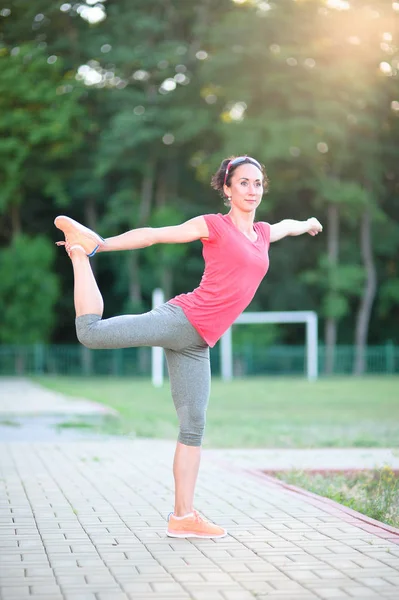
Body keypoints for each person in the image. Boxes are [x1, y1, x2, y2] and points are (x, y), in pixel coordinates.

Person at [55, 155, 322, 539]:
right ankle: (81, 253)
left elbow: (287, 226)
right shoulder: (213, 225)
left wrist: (309, 223)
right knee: (91, 334)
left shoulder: (262, 233)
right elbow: (154, 234)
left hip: (197, 344)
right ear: (227, 189)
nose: (252, 190)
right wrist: (101, 246)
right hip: (181, 318)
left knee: (193, 425)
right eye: (243, 183)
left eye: (258, 183)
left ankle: (183, 517)